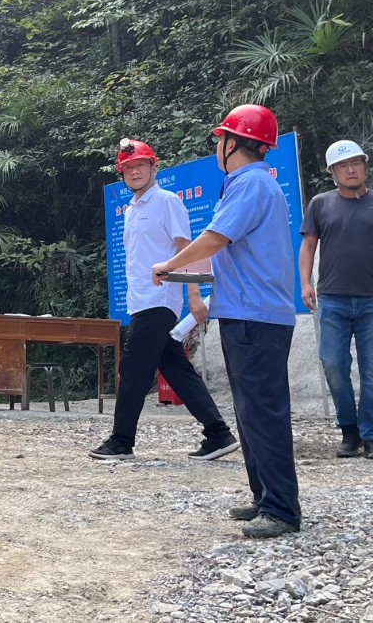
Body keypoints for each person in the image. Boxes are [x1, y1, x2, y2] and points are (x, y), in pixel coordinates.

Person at [152, 105, 300, 538]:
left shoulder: (250, 184)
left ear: (233, 143)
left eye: (220, 140)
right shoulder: (253, 184)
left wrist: (170, 264)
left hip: (255, 316)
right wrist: (186, 276)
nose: (218, 146)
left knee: (263, 411)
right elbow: (229, 255)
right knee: (250, 410)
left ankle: (281, 509)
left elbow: (215, 239)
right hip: (248, 312)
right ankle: (265, 497)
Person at [89, 139, 238, 462]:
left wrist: (194, 296)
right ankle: (218, 434)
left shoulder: (167, 201)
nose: (134, 172)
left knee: (132, 368)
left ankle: (121, 441)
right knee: (174, 366)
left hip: (160, 300)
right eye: (128, 168)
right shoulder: (132, 210)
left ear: (154, 167)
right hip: (140, 301)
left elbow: (187, 249)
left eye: (140, 165)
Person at [300, 139, 373, 461]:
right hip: (332, 299)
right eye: (342, 166)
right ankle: (349, 430)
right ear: (332, 172)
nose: (350, 170)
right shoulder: (320, 204)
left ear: (364, 166)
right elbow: (308, 246)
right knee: (333, 365)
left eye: (355, 164)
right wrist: (305, 283)